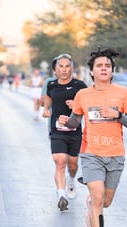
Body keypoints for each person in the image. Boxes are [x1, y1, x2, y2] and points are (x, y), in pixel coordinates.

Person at [58, 48, 127, 227]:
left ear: (112, 71)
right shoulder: (83, 95)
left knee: (106, 202)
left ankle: (92, 207)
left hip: (115, 154)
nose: (104, 69)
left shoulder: (123, 93)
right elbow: (76, 122)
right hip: (91, 153)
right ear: (91, 71)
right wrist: (68, 121)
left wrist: (118, 115)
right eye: (99, 66)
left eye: (107, 66)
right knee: (98, 197)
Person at [42, 53, 87, 211]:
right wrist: (46, 109)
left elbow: (87, 106)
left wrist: (76, 105)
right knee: (60, 161)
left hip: (74, 131)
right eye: (61, 66)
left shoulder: (80, 86)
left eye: (67, 66)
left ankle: (71, 180)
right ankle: (61, 195)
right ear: (55, 69)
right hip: (57, 131)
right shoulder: (51, 85)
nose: (64, 69)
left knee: (73, 165)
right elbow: (48, 100)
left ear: (72, 68)